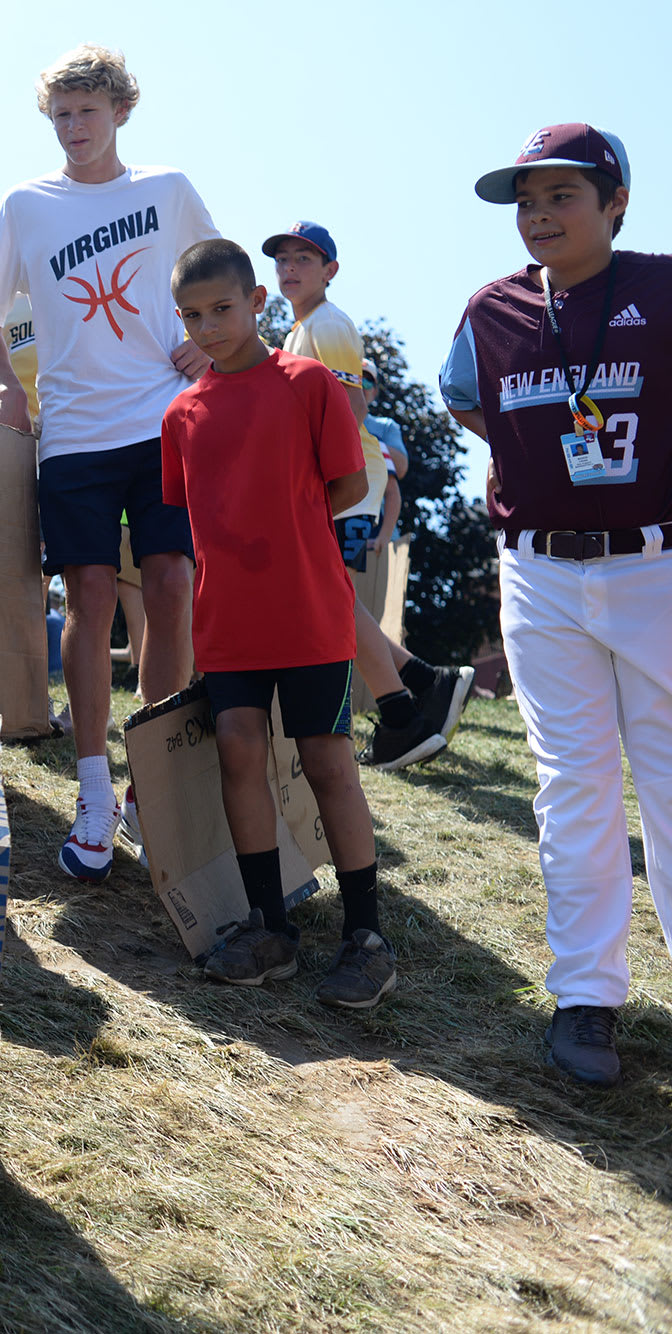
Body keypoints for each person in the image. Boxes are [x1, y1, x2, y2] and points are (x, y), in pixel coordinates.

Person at [439, 122, 671, 1087]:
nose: (539, 215)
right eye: (526, 202)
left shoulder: (662, 288)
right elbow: (464, 399)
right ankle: (586, 999)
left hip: (655, 567)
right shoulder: (490, 309)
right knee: (573, 785)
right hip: (537, 570)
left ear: (615, 202)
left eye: (562, 197)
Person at [0, 44, 217, 881]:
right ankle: (95, 790)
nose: (75, 127)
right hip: (72, 433)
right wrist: (6, 385)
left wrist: (202, 344)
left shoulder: (167, 189)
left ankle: (154, 777)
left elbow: (223, 280)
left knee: (174, 584)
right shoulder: (24, 204)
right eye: (62, 114)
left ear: (120, 111)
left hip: (161, 423)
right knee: (90, 597)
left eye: (88, 110)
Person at [163, 239, 397, 1007]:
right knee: (238, 751)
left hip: (306, 614)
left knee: (328, 761)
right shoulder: (181, 415)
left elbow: (349, 484)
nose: (208, 327)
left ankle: (365, 935)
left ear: (257, 300)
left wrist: (284, 534)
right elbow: (190, 516)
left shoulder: (308, 385)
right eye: (191, 316)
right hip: (227, 624)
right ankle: (271, 928)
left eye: (222, 309)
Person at [262, 221, 475, 770]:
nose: (290, 268)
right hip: (339, 481)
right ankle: (423, 685)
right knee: (335, 598)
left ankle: (402, 714)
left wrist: (315, 481)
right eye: (282, 259)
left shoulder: (327, 323)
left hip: (344, 483)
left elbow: (350, 408)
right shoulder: (300, 329)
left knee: (329, 601)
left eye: (304, 259)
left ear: (330, 271)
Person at [360, 358, 407, 552]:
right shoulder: (327, 422)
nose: (360, 385)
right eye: (354, 378)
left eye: (367, 381)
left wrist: (383, 537)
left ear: (374, 391)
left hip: (375, 535)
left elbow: (400, 470)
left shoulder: (385, 427)